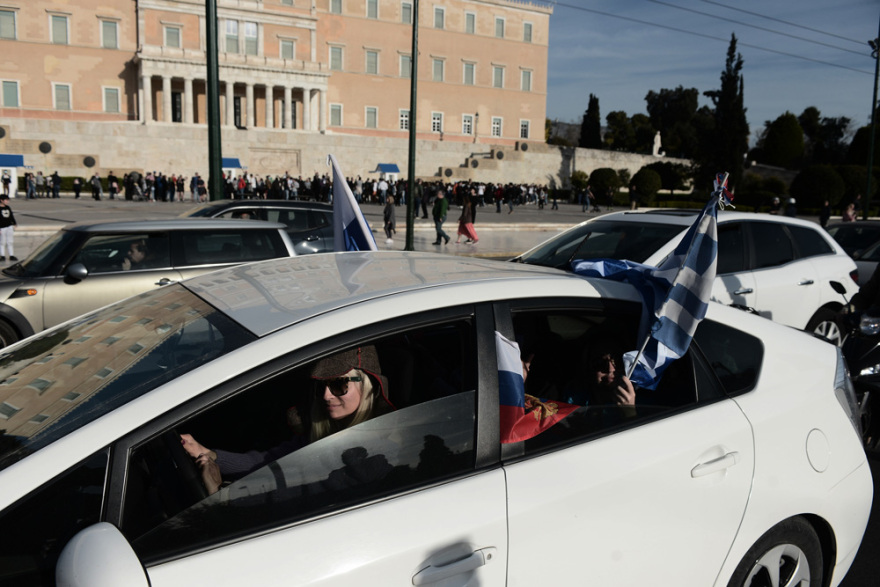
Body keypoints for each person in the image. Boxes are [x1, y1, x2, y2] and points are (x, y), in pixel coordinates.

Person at [180, 345, 393, 494]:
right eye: (321, 387)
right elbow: (267, 462)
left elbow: (296, 498)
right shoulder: (323, 433)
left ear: (367, 386)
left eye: (339, 385)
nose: (327, 396)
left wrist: (222, 496)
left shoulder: (375, 455)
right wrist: (208, 454)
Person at [0, 195, 17, 262]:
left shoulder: (8, 207)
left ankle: (11, 255)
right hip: (2, 228)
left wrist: (14, 223)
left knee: (10, 241)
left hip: (9, 226)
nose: (7, 201)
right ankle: (2, 255)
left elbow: (11, 216)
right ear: (1, 200)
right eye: (6, 200)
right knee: (2, 242)